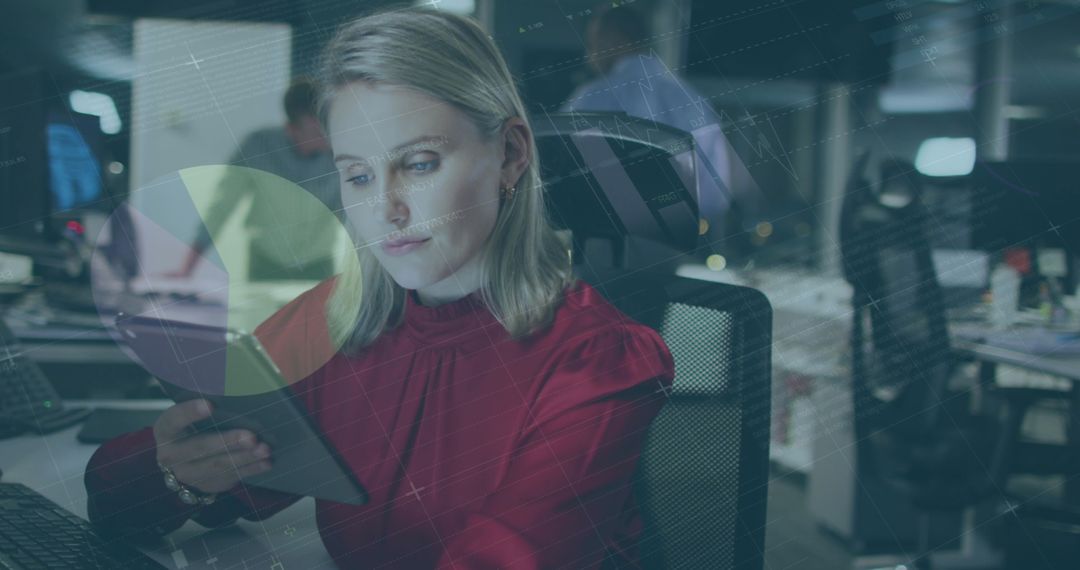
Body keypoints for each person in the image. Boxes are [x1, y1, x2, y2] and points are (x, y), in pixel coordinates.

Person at [85, 8, 675, 569]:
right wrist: (175, 473)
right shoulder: (330, 323)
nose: (384, 209)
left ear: (511, 154)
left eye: (418, 164)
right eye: (358, 175)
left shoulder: (599, 362)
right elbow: (115, 499)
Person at [561, 4, 750, 246]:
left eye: (594, 43)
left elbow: (560, 174)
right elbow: (715, 197)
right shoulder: (693, 100)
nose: (589, 55)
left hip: (602, 246)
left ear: (617, 38)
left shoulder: (590, 98)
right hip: (674, 248)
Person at [169, 78, 343, 281]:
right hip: (266, 263)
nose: (326, 136)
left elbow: (355, 215)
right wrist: (187, 269)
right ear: (291, 128)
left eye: (328, 127)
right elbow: (221, 207)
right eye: (316, 130)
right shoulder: (257, 146)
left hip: (318, 263)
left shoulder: (342, 154)